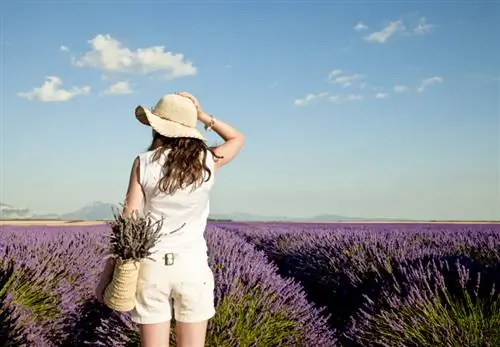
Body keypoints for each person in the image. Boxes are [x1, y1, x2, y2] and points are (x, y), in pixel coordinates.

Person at [95, 91, 244, 347]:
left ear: (157, 127)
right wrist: (201, 115)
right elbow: (237, 138)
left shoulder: (143, 162)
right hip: (193, 267)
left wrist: (108, 274)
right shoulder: (206, 160)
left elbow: (128, 221)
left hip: (152, 269)